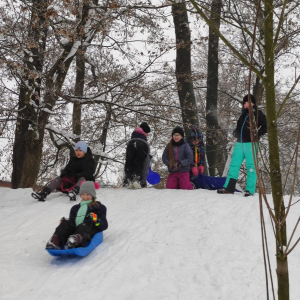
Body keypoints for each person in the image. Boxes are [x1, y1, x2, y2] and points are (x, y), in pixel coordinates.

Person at [217, 94, 267, 196]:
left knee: (251, 167)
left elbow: (265, 127)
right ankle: (229, 187)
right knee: (234, 165)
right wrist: (235, 132)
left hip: (251, 144)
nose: (246, 105)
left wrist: (256, 134)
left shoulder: (258, 114)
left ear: (253, 103)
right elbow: (238, 128)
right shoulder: (243, 115)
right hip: (239, 143)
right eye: (244, 103)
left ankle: (249, 190)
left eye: (248, 102)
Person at [45, 181, 108, 250]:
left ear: (92, 195)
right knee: (66, 223)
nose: (85, 197)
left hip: (89, 231)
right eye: (83, 194)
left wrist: (96, 219)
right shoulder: (75, 208)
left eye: (88, 194)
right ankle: (55, 241)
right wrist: (65, 222)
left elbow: (104, 225)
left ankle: (74, 241)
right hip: (75, 231)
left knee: (83, 225)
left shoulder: (99, 207)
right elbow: (72, 223)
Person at [123, 122, 151, 188]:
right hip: (142, 146)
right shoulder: (143, 138)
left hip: (130, 145)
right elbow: (145, 164)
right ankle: (137, 179)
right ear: (145, 132)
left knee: (129, 163)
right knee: (139, 163)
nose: (147, 135)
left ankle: (128, 180)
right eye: (147, 133)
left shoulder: (134, 134)